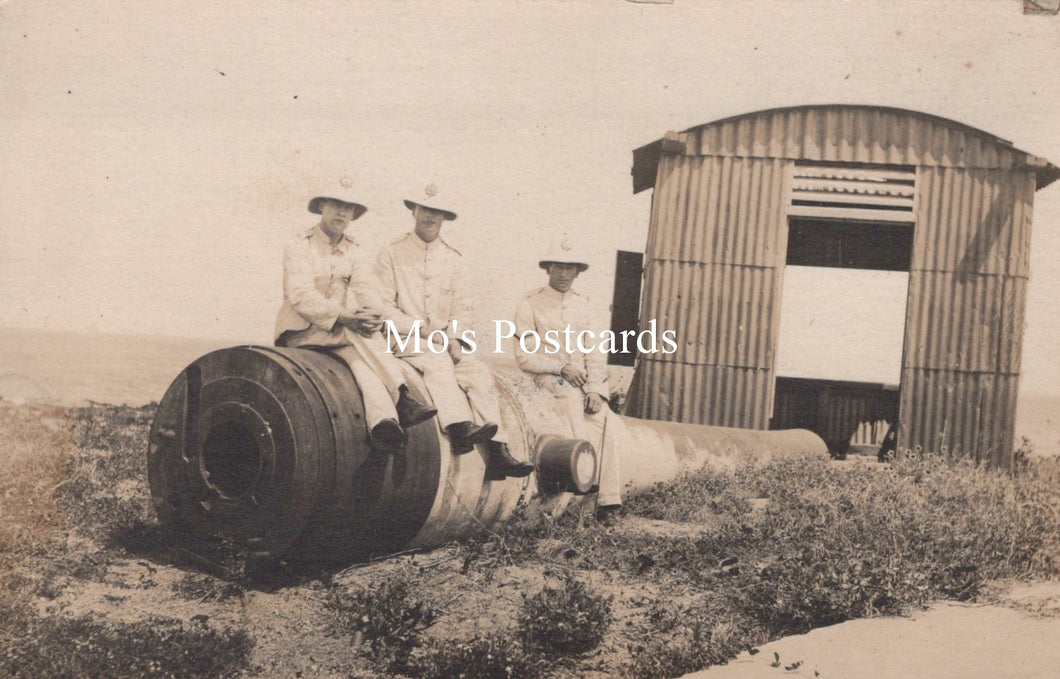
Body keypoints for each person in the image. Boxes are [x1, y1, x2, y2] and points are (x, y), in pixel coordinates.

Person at [375, 183, 533, 480]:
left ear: (445, 217)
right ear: (414, 211)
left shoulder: (454, 259)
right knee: (436, 362)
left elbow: (464, 309)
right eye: (424, 209)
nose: (430, 217)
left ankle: (498, 452)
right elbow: (383, 307)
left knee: (479, 374)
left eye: (437, 212)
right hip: (404, 340)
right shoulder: (391, 253)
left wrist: (456, 339)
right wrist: (423, 330)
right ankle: (459, 429)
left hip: (443, 343)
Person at [274, 186, 436, 454]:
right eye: (337, 204)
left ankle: (383, 424)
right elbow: (300, 295)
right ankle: (402, 395)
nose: (342, 212)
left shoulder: (354, 249)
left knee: (362, 363)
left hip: (336, 333)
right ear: (322, 206)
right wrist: (343, 315)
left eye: (348, 208)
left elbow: (367, 288)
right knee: (362, 335)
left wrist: (372, 313)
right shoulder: (299, 245)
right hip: (301, 331)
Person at [512, 239, 626, 522]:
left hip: (580, 383)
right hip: (546, 381)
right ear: (548, 268)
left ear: (578, 272)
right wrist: (560, 367)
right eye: (559, 267)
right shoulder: (530, 304)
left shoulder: (584, 306)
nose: (564, 274)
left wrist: (597, 391)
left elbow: (595, 353)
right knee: (573, 413)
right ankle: (572, 498)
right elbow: (525, 357)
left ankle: (606, 503)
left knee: (607, 423)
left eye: (570, 268)